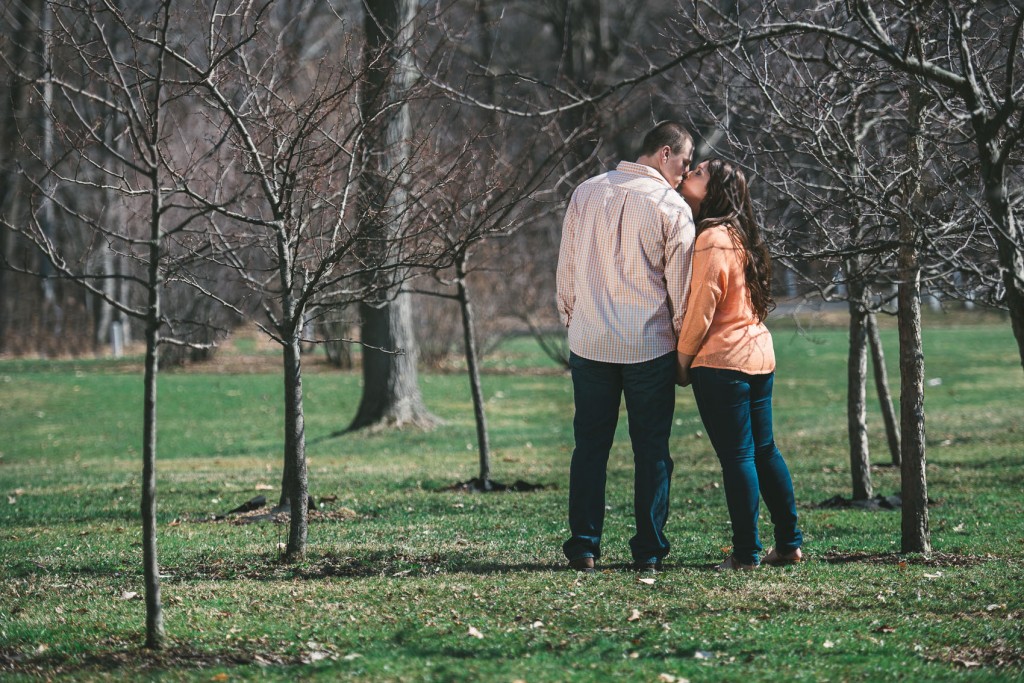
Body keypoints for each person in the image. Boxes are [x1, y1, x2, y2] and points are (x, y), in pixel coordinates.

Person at [556, 121, 696, 573]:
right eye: (684, 161)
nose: (685, 171)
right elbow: (681, 288)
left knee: (589, 448)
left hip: (591, 340)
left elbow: (567, 270)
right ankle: (650, 550)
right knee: (652, 450)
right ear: (663, 154)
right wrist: (680, 345)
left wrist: (572, 320)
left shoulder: (587, 191)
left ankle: (584, 546)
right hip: (648, 344)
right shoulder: (670, 206)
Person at [676, 158, 803, 570]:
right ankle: (789, 544)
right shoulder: (738, 234)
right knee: (763, 450)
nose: (687, 174)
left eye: (697, 173)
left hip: (723, 361)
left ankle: (746, 554)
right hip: (757, 355)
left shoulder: (712, 238)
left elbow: (701, 308)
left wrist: (682, 360)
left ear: (713, 190)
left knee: (739, 457)